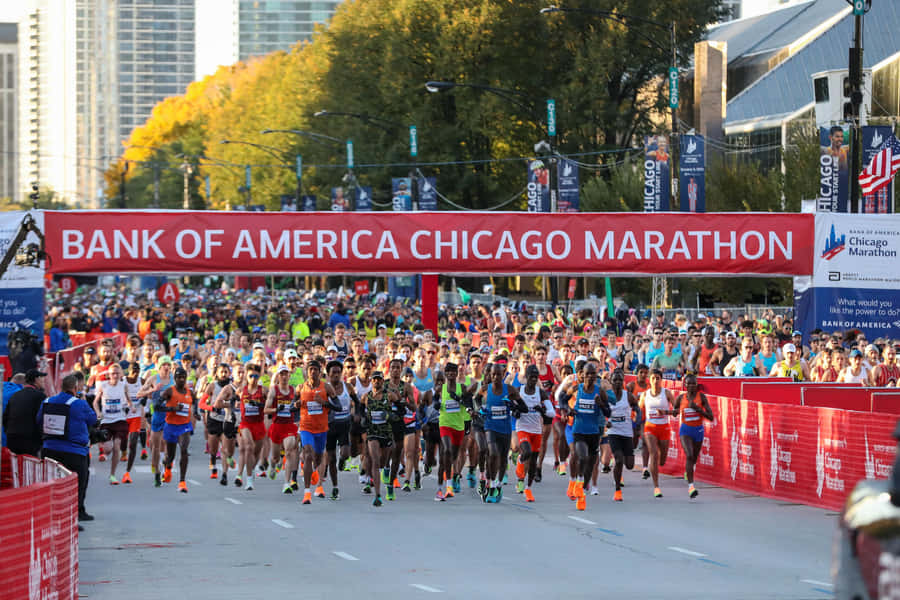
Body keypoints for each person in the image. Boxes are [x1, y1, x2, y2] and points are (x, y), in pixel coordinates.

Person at [38, 374, 96, 526]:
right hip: (75, 452)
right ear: (75, 388)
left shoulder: (47, 401)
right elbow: (93, 419)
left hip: (49, 450)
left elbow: (39, 420)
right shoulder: (79, 404)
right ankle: (72, 521)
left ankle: (52, 518)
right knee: (77, 486)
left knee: (52, 485)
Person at [558, 363, 610, 511]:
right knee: (582, 456)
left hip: (594, 433)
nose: (590, 377)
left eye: (593, 374)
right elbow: (562, 399)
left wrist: (601, 405)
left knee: (590, 466)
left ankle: (582, 487)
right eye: (587, 374)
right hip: (578, 431)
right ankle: (579, 490)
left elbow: (608, 413)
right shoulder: (576, 389)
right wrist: (568, 409)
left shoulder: (600, 392)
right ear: (583, 375)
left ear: (596, 376)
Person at [474, 364, 527, 503]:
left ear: (503, 375)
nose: (496, 377)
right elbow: (476, 399)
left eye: (499, 375)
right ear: (490, 375)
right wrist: (480, 409)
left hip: (505, 428)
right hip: (490, 426)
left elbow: (524, 407)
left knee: (503, 458)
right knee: (492, 453)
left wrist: (512, 406)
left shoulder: (509, 390)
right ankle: (490, 485)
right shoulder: (485, 389)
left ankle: (497, 484)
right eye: (493, 375)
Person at [296, 359, 341, 505]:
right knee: (308, 453)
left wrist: (324, 403)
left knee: (318, 458)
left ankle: (314, 474)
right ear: (307, 372)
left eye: (316, 369)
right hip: (306, 427)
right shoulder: (300, 388)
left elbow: (338, 407)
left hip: (322, 429)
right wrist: (296, 404)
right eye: (311, 369)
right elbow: (292, 406)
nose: (313, 372)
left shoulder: (326, 387)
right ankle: (307, 493)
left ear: (320, 372)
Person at [513, 365, 554, 502]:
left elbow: (551, 412)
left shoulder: (540, 393)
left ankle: (528, 488)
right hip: (523, 428)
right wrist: (516, 412)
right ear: (526, 377)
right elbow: (510, 406)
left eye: (535, 378)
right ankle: (519, 462)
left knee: (533, 463)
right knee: (526, 452)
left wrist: (542, 410)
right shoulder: (519, 391)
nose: (533, 380)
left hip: (536, 429)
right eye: (531, 377)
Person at [93, 364, 134, 485]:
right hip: (107, 421)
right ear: (109, 375)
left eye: (117, 373)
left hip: (120, 420)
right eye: (112, 374)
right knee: (107, 449)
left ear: (121, 374)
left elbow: (129, 401)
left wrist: (131, 407)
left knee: (116, 447)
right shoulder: (103, 386)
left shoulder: (123, 386)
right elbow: (95, 402)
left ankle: (112, 475)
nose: (115, 376)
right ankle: (105, 451)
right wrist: (98, 412)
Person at [676, 374, 714, 499]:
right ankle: (691, 487)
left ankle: (689, 471)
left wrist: (698, 409)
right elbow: (675, 412)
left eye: (694, 383)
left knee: (694, 458)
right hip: (685, 430)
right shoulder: (681, 398)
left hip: (698, 431)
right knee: (689, 455)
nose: (692, 386)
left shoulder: (701, 397)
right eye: (689, 384)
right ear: (685, 385)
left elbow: (711, 417)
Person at [640, 369, 677, 498]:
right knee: (654, 454)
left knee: (662, 460)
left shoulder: (666, 393)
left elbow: (677, 410)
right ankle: (656, 486)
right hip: (650, 427)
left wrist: (665, 413)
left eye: (658, 378)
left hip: (664, 428)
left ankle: (657, 465)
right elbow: (638, 411)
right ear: (649, 380)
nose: (656, 381)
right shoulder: (645, 395)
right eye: (653, 378)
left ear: (661, 380)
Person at [605, 369, 640, 501]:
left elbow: (637, 407)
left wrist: (636, 420)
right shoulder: (607, 396)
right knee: (619, 460)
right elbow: (602, 410)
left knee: (629, 465)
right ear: (611, 382)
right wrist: (605, 422)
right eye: (615, 380)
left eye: (620, 380)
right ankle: (617, 490)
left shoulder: (628, 396)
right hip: (613, 431)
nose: (618, 382)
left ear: (623, 382)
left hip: (626, 432)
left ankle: (618, 461)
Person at [265, 365, 300, 494]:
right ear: (278, 376)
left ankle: (286, 483)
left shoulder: (293, 390)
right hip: (277, 426)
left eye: (286, 374)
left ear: (289, 376)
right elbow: (265, 409)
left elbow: (297, 406)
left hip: (289, 425)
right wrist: (276, 410)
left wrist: (297, 406)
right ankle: (273, 465)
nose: (284, 377)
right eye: (282, 374)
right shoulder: (274, 390)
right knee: (275, 457)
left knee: (290, 450)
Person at [160, 367, 195, 493]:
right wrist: (173, 409)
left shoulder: (190, 392)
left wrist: (195, 414)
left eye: (183, 377)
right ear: (174, 379)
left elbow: (193, 403)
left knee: (184, 449)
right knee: (170, 456)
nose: (181, 380)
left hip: (184, 425)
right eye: (179, 377)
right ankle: (168, 467)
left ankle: (182, 482)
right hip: (171, 426)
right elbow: (157, 406)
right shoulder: (169, 391)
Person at [2, 369, 47, 456]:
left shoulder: (15, 395)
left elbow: (5, 418)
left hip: (12, 438)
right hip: (30, 440)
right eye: (42, 378)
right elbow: (42, 420)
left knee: (15, 467)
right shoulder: (40, 396)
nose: (43, 381)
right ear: (36, 380)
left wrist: (10, 432)